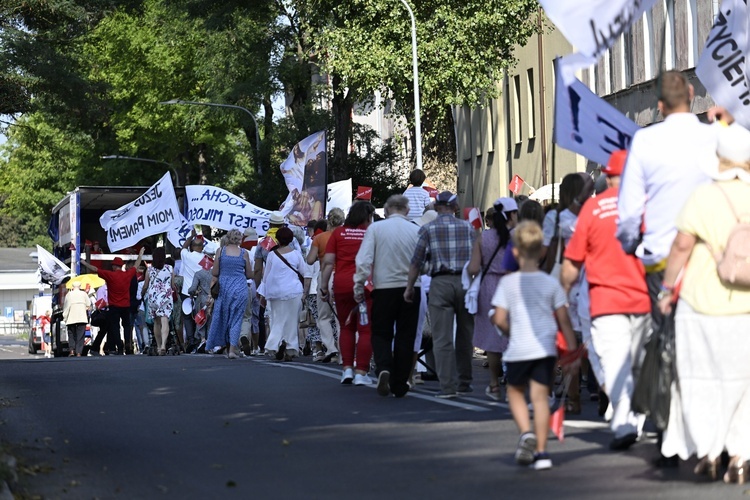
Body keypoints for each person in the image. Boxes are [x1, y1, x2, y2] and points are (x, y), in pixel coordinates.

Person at [658, 123, 750, 484]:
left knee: (703, 380)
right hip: (746, 307)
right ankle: (740, 456)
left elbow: (681, 247)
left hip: (700, 304)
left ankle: (710, 453)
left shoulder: (702, 196)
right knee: (744, 381)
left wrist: (666, 290)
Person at [560, 150, 651, 450]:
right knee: (636, 362)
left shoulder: (592, 208)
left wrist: (560, 295)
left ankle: (625, 419)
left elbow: (572, 262)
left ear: (608, 176)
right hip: (642, 300)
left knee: (612, 362)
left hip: (604, 301)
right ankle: (631, 419)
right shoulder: (645, 206)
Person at [491, 221, 578, 471]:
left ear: (515, 252)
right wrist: (571, 355)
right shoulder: (551, 284)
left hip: (518, 348)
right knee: (541, 399)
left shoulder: (508, 284)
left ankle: (525, 433)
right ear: (542, 252)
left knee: (515, 393)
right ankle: (542, 452)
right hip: (545, 349)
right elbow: (564, 321)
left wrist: (511, 330)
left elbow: (498, 318)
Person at [405, 191, 476, 398]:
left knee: (442, 336)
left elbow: (416, 262)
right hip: (464, 281)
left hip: (440, 282)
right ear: (455, 207)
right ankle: (465, 381)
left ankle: (448, 386)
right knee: (465, 334)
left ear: (437, 207)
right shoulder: (468, 228)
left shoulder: (427, 229)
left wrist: (410, 286)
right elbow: (475, 259)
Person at [354, 194, 421, 397]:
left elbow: (364, 259)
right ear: (407, 210)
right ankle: (399, 382)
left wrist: (359, 285)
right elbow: (424, 261)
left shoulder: (376, 229)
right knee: (406, 335)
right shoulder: (417, 230)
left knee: (381, 332)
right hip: (411, 287)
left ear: (386, 210)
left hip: (383, 287)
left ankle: (384, 366)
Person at [320, 201, 376, 385]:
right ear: (367, 217)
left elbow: (328, 263)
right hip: (364, 286)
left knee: (346, 327)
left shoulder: (338, 233)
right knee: (365, 329)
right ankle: (361, 371)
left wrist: (323, 286)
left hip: (342, 284)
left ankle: (347, 370)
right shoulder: (370, 233)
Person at [467, 198, 512, 402]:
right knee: (513, 336)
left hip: (490, 287)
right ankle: (513, 380)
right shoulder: (516, 237)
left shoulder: (482, 238)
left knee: (492, 341)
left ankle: (494, 383)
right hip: (512, 286)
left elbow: (474, 268)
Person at [82, 247, 144, 354]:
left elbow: (95, 269)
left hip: (114, 306)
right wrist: (141, 253)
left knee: (115, 327)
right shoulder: (127, 275)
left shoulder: (110, 275)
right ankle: (128, 345)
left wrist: (84, 263)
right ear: (121, 266)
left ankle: (119, 347)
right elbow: (136, 265)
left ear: (115, 266)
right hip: (126, 305)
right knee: (127, 326)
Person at [261, 227, 307, 361]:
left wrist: (262, 294)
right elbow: (304, 272)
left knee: (277, 320)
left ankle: (275, 344)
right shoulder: (296, 254)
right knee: (292, 322)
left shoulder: (271, 255)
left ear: (278, 239)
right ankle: (290, 348)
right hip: (293, 290)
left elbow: (265, 277)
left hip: (275, 292)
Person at [206, 229, 252, 359]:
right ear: (240, 239)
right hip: (240, 288)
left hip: (225, 288)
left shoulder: (221, 251)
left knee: (224, 317)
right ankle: (232, 349)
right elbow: (249, 274)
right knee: (237, 318)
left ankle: (226, 347)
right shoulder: (244, 253)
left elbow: (215, 272)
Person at [306, 208, 345, 363]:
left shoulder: (320, 238)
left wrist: (319, 256)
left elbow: (309, 260)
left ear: (329, 220)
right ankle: (344, 352)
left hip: (325, 276)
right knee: (341, 317)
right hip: (342, 275)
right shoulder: (345, 236)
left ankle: (331, 348)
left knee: (323, 317)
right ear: (342, 221)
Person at [179, 231, 209, 353]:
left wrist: (190, 237)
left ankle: (191, 340)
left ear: (192, 247)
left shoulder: (187, 256)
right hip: (201, 292)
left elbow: (183, 248)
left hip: (187, 291)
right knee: (201, 316)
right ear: (202, 247)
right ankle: (201, 339)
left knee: (187, 317)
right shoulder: (206, 259)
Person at [141, 247, 174, 356]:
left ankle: (159, 346)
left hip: (154, 296)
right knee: (165, 320)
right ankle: (164, 345)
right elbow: (172, 284)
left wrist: (142, 293)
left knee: (156, 322)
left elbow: (146, 285)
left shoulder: (150, 270)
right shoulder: (170, 268)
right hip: (166, 296)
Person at [63, 281, 91, 357]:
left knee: (71, 334)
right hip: (82, 317)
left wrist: (65, 317)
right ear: (80, 286)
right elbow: (89, 304)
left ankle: (72, 350)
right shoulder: (84, 294)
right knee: (80, 335)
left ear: (72, 287)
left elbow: (66, 307)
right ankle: (79, 352)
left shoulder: (69, 295)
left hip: (71, 318)